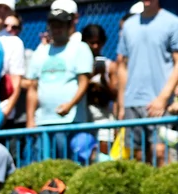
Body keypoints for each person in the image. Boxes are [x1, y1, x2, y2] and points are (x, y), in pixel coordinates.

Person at [26, 6, 93, 157]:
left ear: (69, 26)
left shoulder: (80, 48)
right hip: (43, 123)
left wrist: (70, 105)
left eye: (60, 25)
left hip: (72, 123)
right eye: (53, 25)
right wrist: (30, 120)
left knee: (71, 168)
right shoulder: (40, 52)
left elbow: (84, 82)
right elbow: (32, 88)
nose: (56, 29)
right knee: (43, 173)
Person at [117, 0, 178, 165]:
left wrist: (163, 98)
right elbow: (122, 65)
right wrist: (122, 104)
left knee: (160, 153)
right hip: (132, 104)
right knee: (137, 158)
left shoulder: (172, 23)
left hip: (159, 104)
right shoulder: (128, 25)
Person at [82, 24, 117, 153]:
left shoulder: (110, 66)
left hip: (103, 118)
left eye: (98, 43)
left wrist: (102, 78)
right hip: (84, 117)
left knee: (103, 156)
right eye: (92, 43)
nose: (95, 47)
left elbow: (115, 95)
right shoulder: (78, 66)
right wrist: (89, 78)